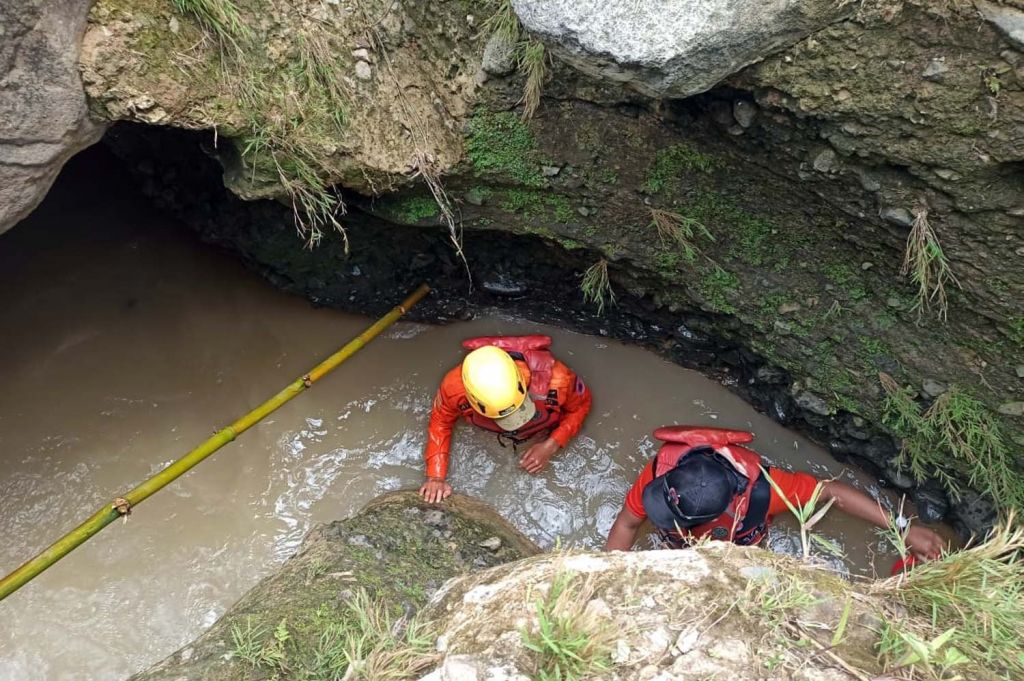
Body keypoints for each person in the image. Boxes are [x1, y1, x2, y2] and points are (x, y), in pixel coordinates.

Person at [605, 425, 945, 561]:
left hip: (739, 549)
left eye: (675, 519)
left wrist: (902, 528)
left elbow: (832, 492)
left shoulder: (766, 492)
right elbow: (627, 525)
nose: (657, 511)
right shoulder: (663, 475)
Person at [419, 335, 592, 503]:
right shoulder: (454, 387)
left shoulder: (558, 379)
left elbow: (581, 406)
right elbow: (441, 423)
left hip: (541, 430)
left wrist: (551, 445)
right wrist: (436, 477)